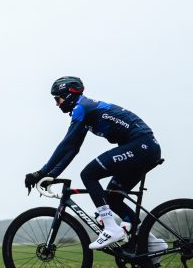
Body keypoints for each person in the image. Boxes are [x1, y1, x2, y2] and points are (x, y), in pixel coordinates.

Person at [24, 77, 162, 250]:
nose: (57, 104)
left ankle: (111, 228)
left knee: (88, 174)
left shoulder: (82, 108)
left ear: (69, 95)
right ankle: (154, 244)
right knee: (113, 197)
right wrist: (52, 175)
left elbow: (66, 144)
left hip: (141, 146)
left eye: (57, 99)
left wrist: (41, 172)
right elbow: (73, 148)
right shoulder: (84, 109)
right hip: (145, 147)